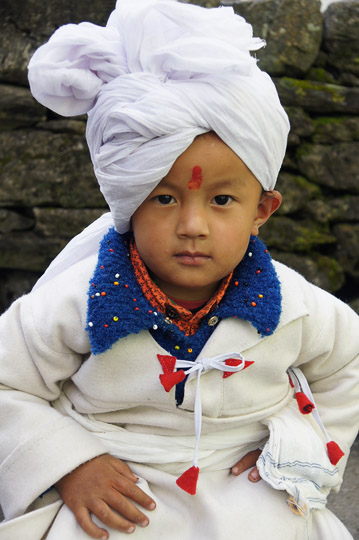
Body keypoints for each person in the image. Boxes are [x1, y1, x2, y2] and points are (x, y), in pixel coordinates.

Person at [0, 0, 358, 539]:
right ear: (127, 204)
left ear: (262, 211)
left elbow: (347, 367)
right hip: (114, 486)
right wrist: (67, 464)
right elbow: (7, 383)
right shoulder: (73, 303)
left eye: (221, 201)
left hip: (251, 489)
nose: (192, 225)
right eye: (163, 200)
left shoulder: (298, 307)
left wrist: (300, 445)